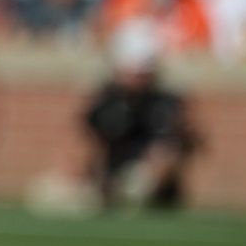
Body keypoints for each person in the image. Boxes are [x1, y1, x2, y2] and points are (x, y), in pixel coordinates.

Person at [83, 20, 200, 209]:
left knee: (154, 166)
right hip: (111, 175)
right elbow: (89, 140)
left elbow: (170, 149)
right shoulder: (106, 99)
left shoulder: (165, 101)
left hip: (148, 180)